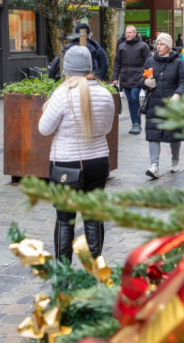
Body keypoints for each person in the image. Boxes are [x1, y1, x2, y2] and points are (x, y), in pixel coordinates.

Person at [38, 45, 115, 263]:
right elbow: (107, 128)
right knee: (93, 217)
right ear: (90, 67)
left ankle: (63, 276)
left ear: (67, 69)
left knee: (65, 219)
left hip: (66, 164)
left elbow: (44, 129)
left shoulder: (62, 94)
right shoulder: (105, 94)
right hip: (98, 162)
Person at [139, 33, 184, 178]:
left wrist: (178, 94)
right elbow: (141, 79)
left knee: (174, 135)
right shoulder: (150, 61)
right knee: (153, 135)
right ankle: (154, 166)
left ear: (168, 47)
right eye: (157, 44)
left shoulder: (178, 62)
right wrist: (145, 83)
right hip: (154, 104)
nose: (158, 46)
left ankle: (175, 161)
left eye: (161, 44)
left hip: (173, 106)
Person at [112, 25, 151, 135]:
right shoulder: (121, 46)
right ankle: (134, 123)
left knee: (134, 98)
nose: (128, 34)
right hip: (125, 78)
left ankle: (137, 123)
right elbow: (117, 62)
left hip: (138, 77)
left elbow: (148, 62)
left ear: (135, 33)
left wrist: (147, 77)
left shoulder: (143, 46)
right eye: (126, 32)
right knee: (130, 101)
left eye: (130, 32)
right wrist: (115, 77)